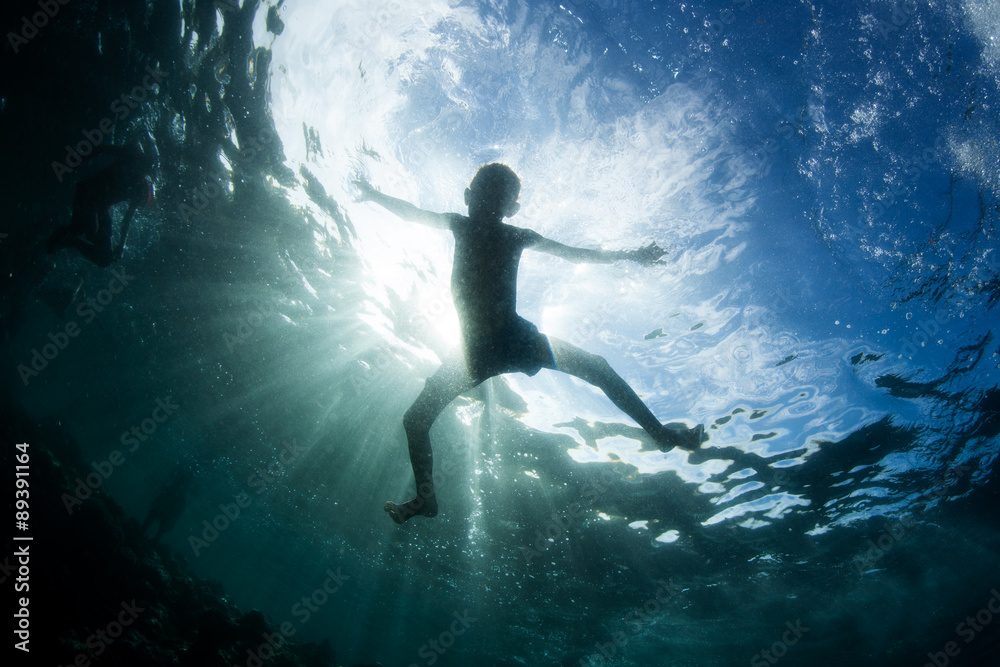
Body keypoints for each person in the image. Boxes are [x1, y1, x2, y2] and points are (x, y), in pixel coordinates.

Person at [355, 163, 705, 524]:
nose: (489, 203)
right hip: (476, 352)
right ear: (469, 197)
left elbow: (576, 254)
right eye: (485, 194)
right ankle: (425, 499)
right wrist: (373, 194)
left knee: (597, 367)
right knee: (415, 419)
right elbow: (413, 214)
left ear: (511, 210)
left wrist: (630, 255)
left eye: (498, 198)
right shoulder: (462, 225)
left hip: (510, 340)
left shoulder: (513, 235)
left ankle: (661, 434)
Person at [46, 143, 155, 267]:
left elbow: (127, 220)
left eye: (139, 201)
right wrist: (79, 161)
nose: (135, 201)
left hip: (100, 207)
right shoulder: (132, 160)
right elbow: (103, 148)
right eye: (139, 198)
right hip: (87, 193)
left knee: (105, 258)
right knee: (88, 227)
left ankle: (70, 240)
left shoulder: (139, 191)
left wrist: (121, 245)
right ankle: (64, 233)